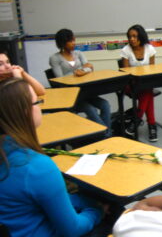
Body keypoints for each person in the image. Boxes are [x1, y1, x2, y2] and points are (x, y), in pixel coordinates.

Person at [0, 77, 103, 236]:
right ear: (25, 111)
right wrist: (97, 210)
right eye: (37, 102)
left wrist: (85, 201)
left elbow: (46, 195)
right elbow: (73, 229)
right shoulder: (35, 166)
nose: (40, 107)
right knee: (118, 216)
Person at [49, 28, 112, 137]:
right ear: (63, 43)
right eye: (70, 41)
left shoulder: (78, 53)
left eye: (74, 40)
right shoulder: (54, 58)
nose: (74, 43)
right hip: (70, 96)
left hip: (86, 92)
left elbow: (90, 68)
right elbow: (60, 79)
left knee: (105, 105)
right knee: (91, 109)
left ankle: (105, 134)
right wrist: (79, 72)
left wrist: (82, 71)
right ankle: (106, 135)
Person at [120, 24, 158, 142]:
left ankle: (136, 121)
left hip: (145, 82)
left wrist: (145, 80)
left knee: (147, 90)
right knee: (148, 93)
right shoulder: (125, 50)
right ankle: (151, 125)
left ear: (141, 36)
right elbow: (126, 73)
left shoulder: (150, 49)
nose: (132, 39)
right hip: (130, 84)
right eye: (130, 36)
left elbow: (152, 69)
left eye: (135, 36)